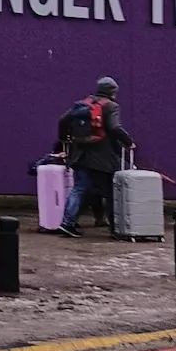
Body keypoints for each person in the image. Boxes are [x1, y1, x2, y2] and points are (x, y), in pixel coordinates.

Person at [54, 76, 134, 239]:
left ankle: (67, 223)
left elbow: (63, 120)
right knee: (110, 192)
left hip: (80, 155)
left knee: (79, 188)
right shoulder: (111, 106)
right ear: (112, 92)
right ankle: (115, 229)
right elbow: (114, 127)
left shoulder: (83, 103)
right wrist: (128, 141)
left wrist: (65, 139)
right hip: (102, 158)